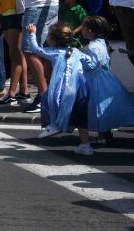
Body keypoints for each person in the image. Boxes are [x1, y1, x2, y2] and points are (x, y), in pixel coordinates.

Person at [24, 23, 93, 154]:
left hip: (62, 89)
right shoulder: (77, 52)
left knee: (48, 100)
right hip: (80, 89)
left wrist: (32, 34)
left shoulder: (53, 52)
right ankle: (86, 145)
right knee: (81, 117)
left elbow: (35, 49)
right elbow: (91, 63)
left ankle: (54, 125)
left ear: (53, 40)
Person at [79, 15, 134, 143]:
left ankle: (103, 135)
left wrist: (79, 57)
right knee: (102, 107)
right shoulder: (101, 43)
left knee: (99, 107)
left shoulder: (94, 47)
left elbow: (93, 64)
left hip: (96, 80)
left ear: (90, 31)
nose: (81, 29)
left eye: (83, 27)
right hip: (105, 79)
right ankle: (105, 134)